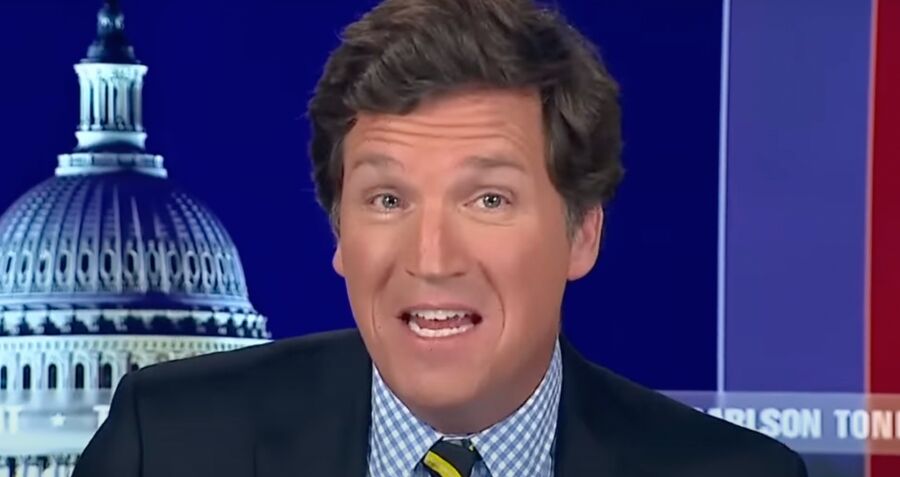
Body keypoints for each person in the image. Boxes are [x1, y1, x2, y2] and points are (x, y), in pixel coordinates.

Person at [74, 0, 808, 476]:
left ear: (582, 232)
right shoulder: (165, 447)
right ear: (339, 231)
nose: (431, 259)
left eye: (488, 200)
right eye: (388, 199)